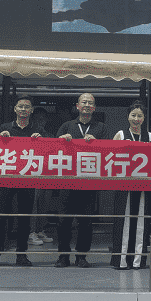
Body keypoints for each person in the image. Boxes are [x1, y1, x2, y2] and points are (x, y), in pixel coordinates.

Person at [0, 95, 41, 267]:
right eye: (20, 106)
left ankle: (21, 255)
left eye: (27, 107)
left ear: (31, 110)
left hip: (27, 180)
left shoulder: (37, 129)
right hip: (6, 179)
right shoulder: (4, 128)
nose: (23, 109)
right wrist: (0, 138)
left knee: (24, 218)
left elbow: (49, 150)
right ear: (15, 109)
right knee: (0, 217)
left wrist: (41, 140)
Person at [55, 93, 108, 268]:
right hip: (67, 181)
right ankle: (63, 256)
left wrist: (97, 142)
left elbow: (109, 152)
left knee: (86, 222)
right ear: (77, 106)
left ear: (94, 108)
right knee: (63, 221)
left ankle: (81, 256)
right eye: (83, 102)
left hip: (89, 182)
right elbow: (53, 149)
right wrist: (61, 141)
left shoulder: (101, 127)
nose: (87, 105)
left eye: (90, 103)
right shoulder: (67, 126)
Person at [111, 101, 151, 270]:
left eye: (140, 116)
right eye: (133, 115)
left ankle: (138, 260)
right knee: (123, 222)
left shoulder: (149, 136)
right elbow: (111, 156)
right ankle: (121, 261)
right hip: (124, 186)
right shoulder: (120, 134)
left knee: (141, 222)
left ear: (144, 118)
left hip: (143, 186)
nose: (136, 119)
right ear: (128, 116)